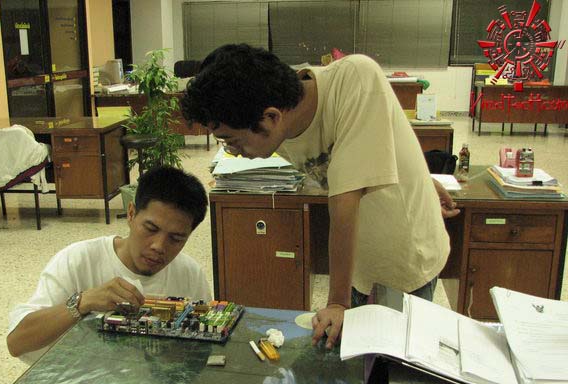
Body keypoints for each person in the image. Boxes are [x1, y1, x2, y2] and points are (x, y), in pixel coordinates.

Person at [181, 44, 459, 350]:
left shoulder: (356, 78)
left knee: (394, 363)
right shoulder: (280, 113)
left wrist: (337, 302)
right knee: (354, 358)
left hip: (406, 253)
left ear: (271, 117)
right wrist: (421, 177)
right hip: (358, 264)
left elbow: (344, 202)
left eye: (232, 141)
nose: (233, 152)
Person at [7, 166, 212, 360]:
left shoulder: (189, 274)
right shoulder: (78, 260)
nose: (159, 246)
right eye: (150, 229)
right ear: (131, 214)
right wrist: (83, 302)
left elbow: (206, 346)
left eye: (176, 239)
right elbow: (17, 343)